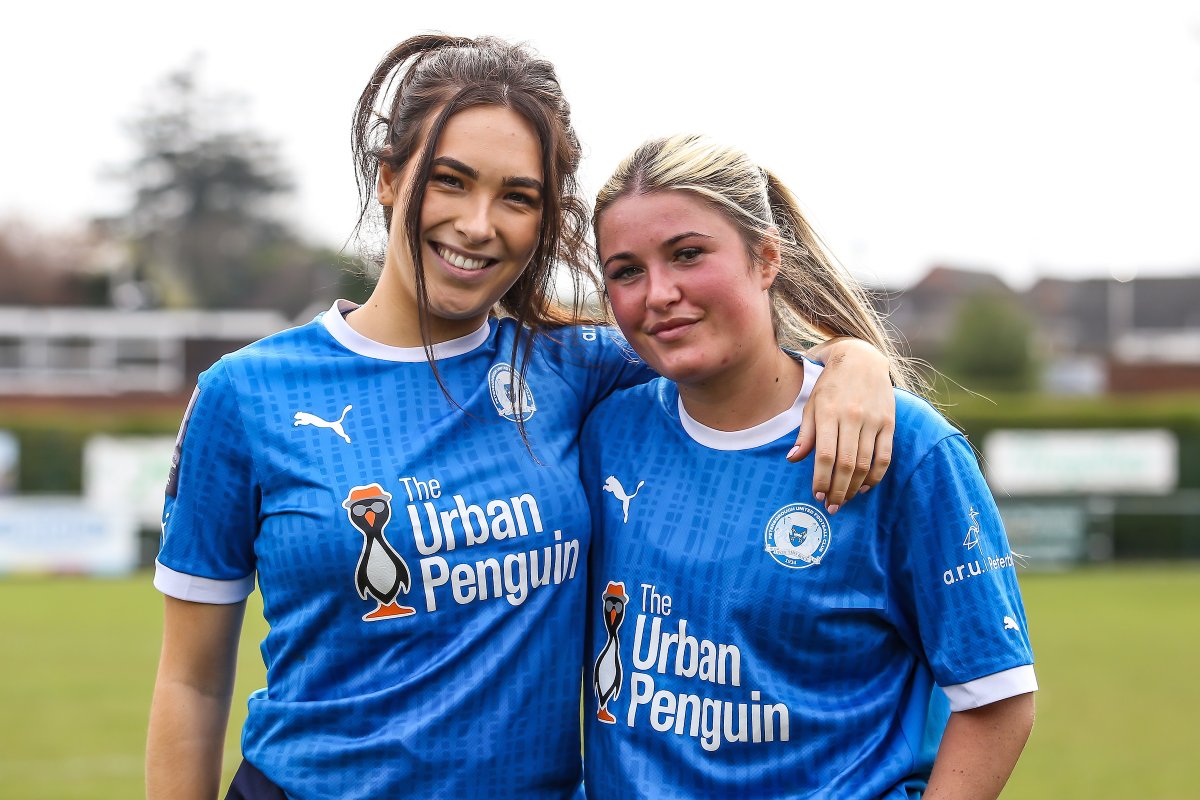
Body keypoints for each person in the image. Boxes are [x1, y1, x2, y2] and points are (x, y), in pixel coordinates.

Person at [145, 36, 896, 800]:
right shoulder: (245, 396)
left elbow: (742, 351)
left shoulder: (578, 368)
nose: (478, 225)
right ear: (389, 178)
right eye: (450, 181)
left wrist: (851, 361)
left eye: (517, 197)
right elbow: (192, 684)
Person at [581, 135, 1037, 799]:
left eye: (688, 254)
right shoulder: (602, 429)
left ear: (766, 258)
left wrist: (855, 358)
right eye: (625, 271)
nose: (659, 293)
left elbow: (995, 700)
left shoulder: (907, 448)